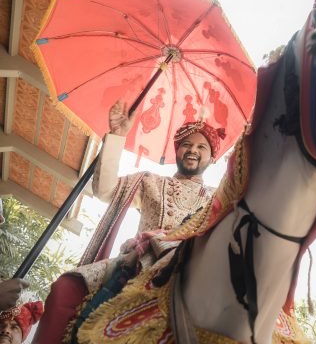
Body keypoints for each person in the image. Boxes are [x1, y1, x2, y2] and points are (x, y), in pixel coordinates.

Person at [33, 100, 225, 343]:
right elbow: (105, 191)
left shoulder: (217, 199)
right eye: (186, 144)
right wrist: (116, 137)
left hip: (191, 272)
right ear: (176, 150)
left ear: (212, 157)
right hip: (138, 263)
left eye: (201, 147)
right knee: (64, 290)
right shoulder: (150, 181)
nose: (192, 150)